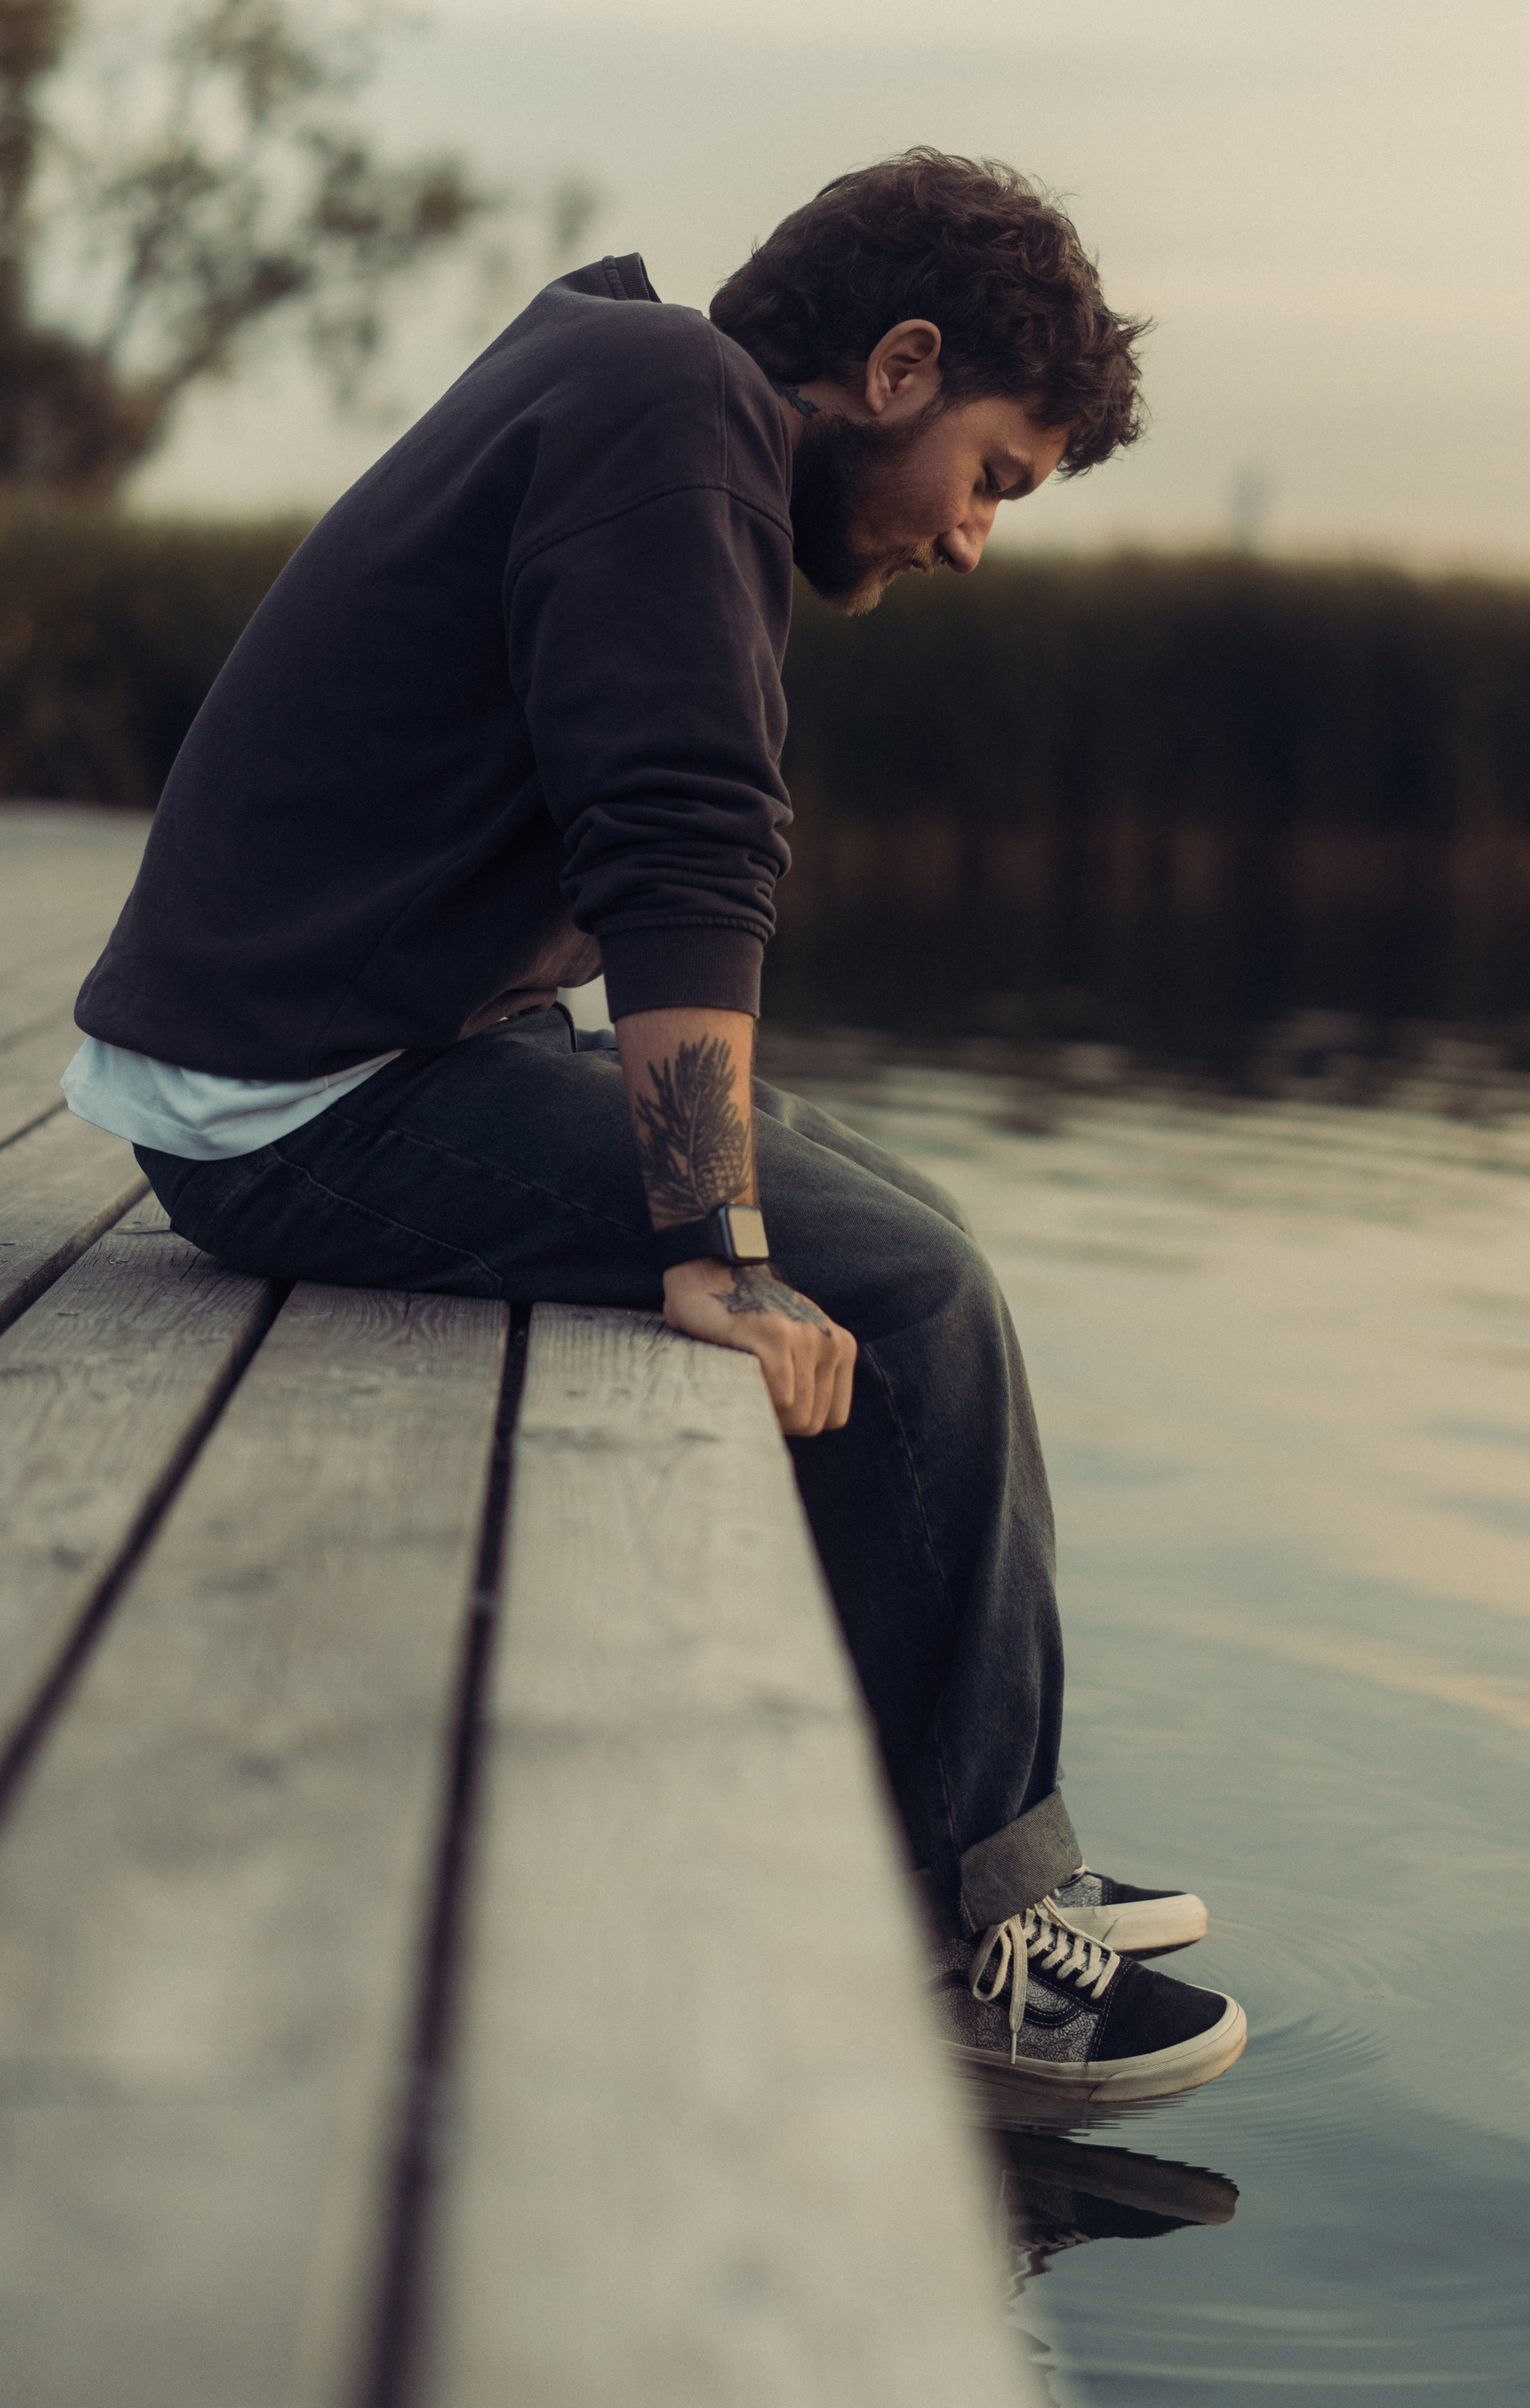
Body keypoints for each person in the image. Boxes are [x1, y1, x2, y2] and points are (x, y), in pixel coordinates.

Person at [65, 148, 1246, 2105]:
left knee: (911, 1220)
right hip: (288, 1100)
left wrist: (731, 1205)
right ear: (894, 366)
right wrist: (716, 1248)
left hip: (350, 1042)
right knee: (916, 1292)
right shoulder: (666, 410)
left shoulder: (636, 388)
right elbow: (680, 831)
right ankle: (965, 1945)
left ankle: (974, 1843)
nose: (971, 546)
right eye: (992, 481)